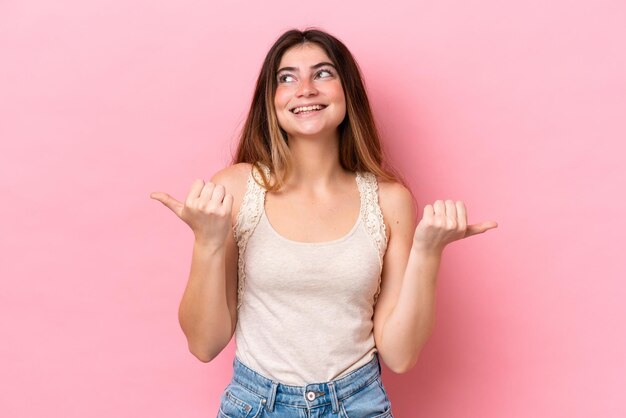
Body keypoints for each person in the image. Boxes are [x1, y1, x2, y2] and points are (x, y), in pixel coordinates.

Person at [150, 27, 497, 418]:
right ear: (272, 100)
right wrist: (208, 243)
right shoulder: (233, 188)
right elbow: (203, 344)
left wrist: (429, 252)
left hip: (357, 405)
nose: (305, 89)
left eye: (323, 73)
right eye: (287, 78)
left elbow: (399, 356)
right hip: (256, 405)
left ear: (347, 91)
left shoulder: (388, 199)